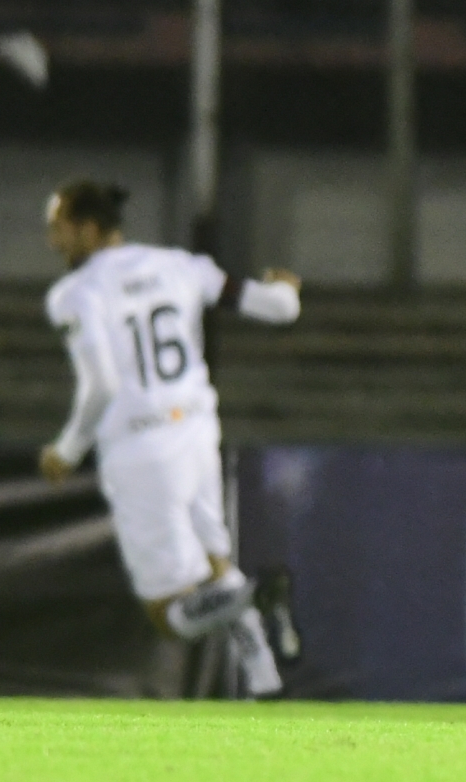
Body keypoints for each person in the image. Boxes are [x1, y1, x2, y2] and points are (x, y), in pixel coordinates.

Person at [37, 178, 297, 695]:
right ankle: (265, 680)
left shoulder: (76, 293)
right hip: (198, 433)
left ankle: (253, 598)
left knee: (170, 613)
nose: (54, 242)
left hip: (139, 445)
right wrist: (285, 286)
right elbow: (279, 309)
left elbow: (102, 384)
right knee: (217, 563)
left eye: (60, 230)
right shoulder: (180, 265)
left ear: (88, 228)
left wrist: (67, 450)